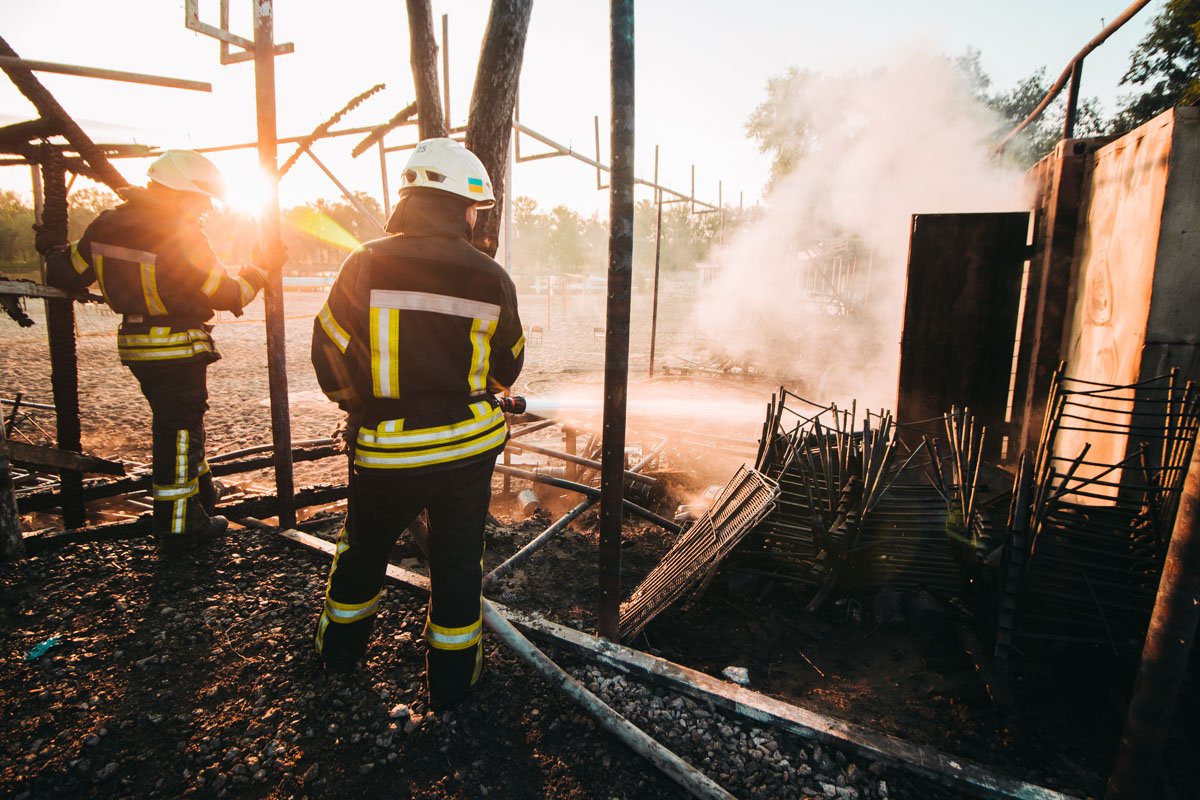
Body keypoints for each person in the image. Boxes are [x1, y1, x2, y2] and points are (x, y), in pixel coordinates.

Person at [310, 137, 524, 709]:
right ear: (461, 207)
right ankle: (453, 682)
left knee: (363, 552)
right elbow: (510, 365)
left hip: (389, 450)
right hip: (468, 449)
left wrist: (357, 405)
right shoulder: (491, 276)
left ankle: (339, 656)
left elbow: (326, 351)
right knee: (458, 564)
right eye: (475, 210)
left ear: (410, 197)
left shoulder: (364, 262)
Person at [47, 149, 283, 550]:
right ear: (179, 192)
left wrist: (49, 245)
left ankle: (201, 497)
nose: (205, 207)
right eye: (200, 198)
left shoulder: (106, 224)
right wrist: (259, 270)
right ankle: (179, 524)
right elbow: (224, 292)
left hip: (137, 347)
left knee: (182, 422)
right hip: (176, 347)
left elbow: (67, 270)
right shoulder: (181, 234)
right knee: (176, 430)